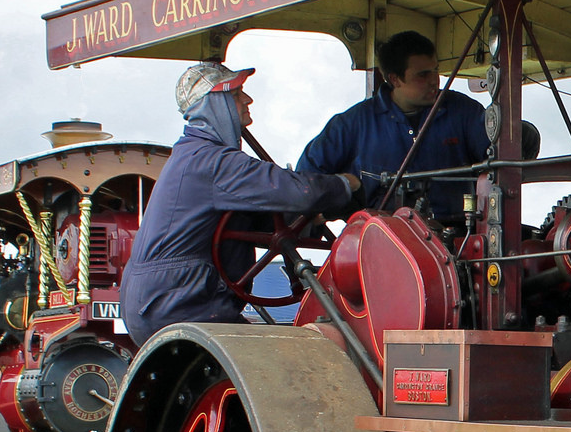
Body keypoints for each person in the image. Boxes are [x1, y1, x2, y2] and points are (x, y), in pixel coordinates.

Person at [120, 63, 357, 346]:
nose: (248, 100)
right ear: (215, 106)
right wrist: (346, 184)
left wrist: (305, 222)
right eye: (237, 94)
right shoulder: (213, 162)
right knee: (282, 357)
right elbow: (300, 191)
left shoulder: (194, 156)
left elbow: (253, 224)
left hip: (162, 301)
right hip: (178, 304)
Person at [296, 30, 491, 217]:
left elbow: (497, 155)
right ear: (395, 79)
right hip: (379, 234)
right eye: (423, 75)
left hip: (458, 232)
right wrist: (341, 197)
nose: (434, 80)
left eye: (435, 70)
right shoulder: (353, 124)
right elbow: (306, 180)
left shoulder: (463, 111)